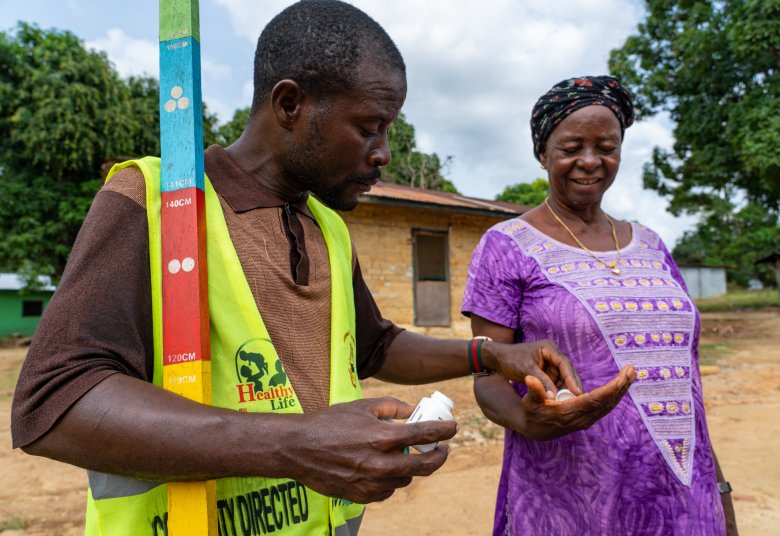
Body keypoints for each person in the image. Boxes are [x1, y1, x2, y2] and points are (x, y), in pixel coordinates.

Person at [11, 4, 632, 535]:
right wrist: (296, 443)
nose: (384, 152)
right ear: (290, 104)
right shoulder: (156, 201)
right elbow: (55, 403)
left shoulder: (328, 226)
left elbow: (376, 346)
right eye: (369, 127)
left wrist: (488, 355)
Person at [462, 75, 738, 535]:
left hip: (683, 498)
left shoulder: (652, 245)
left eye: (606, 146)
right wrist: (528, 420)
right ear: (542, 153)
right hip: (573, 496)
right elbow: (487, 374)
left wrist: (720, 492)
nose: (590, 161)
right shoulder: (506, 246)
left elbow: (682, 389)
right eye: (571, 147)